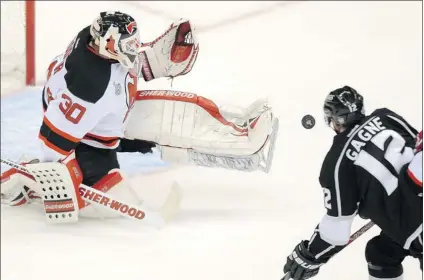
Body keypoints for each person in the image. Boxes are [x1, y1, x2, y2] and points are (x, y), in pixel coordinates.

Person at [1, 11, 278, 221]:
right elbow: (53, 140)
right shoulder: (89, 86)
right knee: (111, 208)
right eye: (129, 45)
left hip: (95, 116)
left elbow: (121, 68)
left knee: (169, 117)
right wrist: (58, 176)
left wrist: (153, 60)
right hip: (88, 140)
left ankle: (239, 127)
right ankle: (21, 181)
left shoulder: (95, 39)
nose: (134, 49)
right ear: (109, 44)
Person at [282, 86, 422, 280]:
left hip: (416, 224)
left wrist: (310, 254)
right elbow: (418, 147)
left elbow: (336, 231)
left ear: (333, 120)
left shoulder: (336, 163)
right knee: (380, 253)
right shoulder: (386, 116)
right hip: (414, 208)